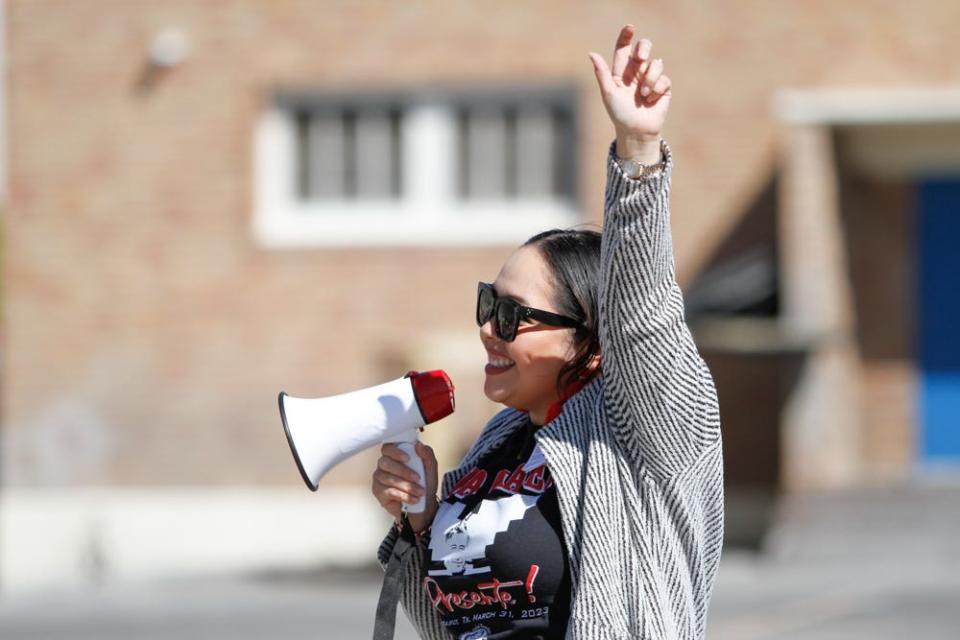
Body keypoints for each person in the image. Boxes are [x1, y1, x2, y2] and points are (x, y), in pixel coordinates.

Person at [372, 24, 723, 640]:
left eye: (511, 314)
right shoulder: (500, 441)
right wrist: (423, 522)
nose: (487, 328)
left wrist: (638, 153)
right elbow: (455, 624)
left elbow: (643, 315)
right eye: (487, 303)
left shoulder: (646, 427)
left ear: (587, 334)